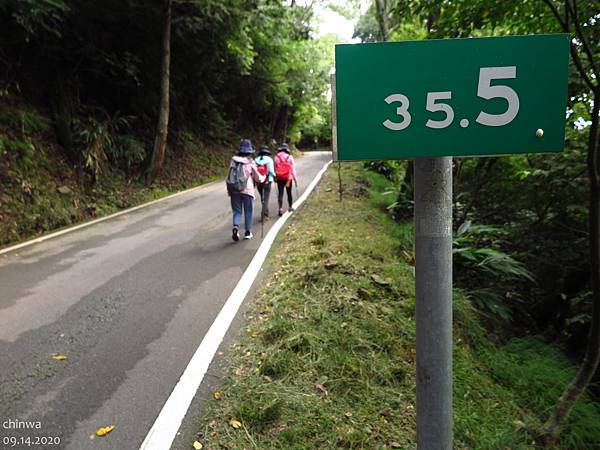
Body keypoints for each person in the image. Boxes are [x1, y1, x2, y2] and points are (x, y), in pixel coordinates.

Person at [226, 139, 265, 241]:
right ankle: (247, 232)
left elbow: (230, 175)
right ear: (249, 151)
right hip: (247, 190)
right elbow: (258, 178)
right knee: (248, 211)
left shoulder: (233, 161)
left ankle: (236, 227)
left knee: (237, 211)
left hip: (234, 189)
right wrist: (264, 178)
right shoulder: (250, 162)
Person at [274, 143, 297, 216]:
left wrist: (275, 177)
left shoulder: (276, 157)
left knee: (280, 193)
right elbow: (293, 169)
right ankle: (290, 207)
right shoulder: (290, 157)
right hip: (288, 178)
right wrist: (295, 179)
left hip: (280, 178)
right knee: (289, 192)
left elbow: (275, 168)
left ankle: (280, 209)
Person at [254, 145, 275, 219]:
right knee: (266, 198)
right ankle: (263, 213)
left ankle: (266, 213)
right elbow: (271, 171)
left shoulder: (255, 160)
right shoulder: (269, 160)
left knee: (262, 198)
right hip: (267, 180)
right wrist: (275, 176)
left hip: (258, 181)